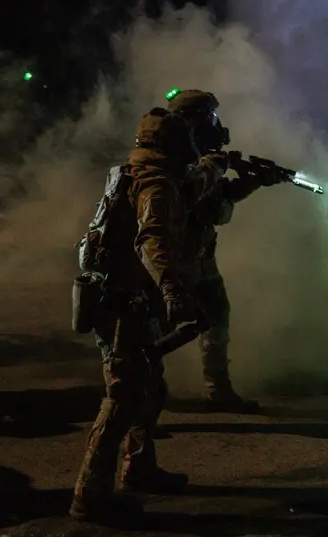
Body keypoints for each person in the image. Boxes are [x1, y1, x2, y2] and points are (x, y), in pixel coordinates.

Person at [70, 107, 224, 523]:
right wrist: (173, 291)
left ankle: (139, 468)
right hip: (125, 306)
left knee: (150, 391)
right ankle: (90, 496)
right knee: (121, 400)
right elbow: (151, 241)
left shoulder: (138, 174)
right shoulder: (155, 184)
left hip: (130, 300)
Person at [167, 89, 284, 412]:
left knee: (216, 316)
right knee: (152, 330)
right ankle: (140, 391)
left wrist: (257, 181)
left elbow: (219, 201)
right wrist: (218, 164)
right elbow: (190, 194)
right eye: (210, 117)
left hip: (200, 256)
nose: (217, 125)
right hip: (170, 260)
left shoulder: (205, 159)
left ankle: (218, 389)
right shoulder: (174, 161)